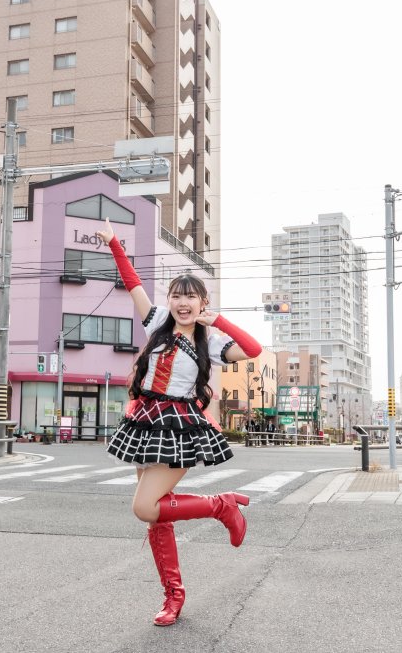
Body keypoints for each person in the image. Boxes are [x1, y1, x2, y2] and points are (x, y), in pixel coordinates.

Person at [97, 218, 262, 627]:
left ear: (202, 302)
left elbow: (254, 349)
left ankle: (221, 505)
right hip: (145, 421)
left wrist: (217, 320)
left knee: (144, 508)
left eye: (191, 297)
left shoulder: (213, 341)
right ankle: (173, 596)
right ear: (169, 300)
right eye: (177, 295)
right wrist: (115, 243)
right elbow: (132, 281)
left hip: (180, 424)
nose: (183, 302)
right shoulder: (157, 322)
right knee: (157, 514)